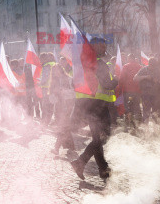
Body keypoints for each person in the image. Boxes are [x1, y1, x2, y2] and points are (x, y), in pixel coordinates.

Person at [71, 38, 118, 180]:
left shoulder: (84, 62)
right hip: (98, 106)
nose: (105, 49)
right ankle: (81, 162)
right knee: (102, 137)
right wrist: (116, 79)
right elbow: (108, 84)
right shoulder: (99, 64)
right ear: (95, 47)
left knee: (97, 138)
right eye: (102, 46)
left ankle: (103, 169)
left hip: (87, 105)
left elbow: (72, 83)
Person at [51, 57, 75, 155]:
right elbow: (52, 95)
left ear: (61, 70)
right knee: (64, 127)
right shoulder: (54, 81)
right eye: (54, 71)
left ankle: (56, 148)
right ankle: (71, 146)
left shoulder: (68, 78)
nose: (56, 72)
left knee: (62, 126)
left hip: (67, 106)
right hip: (58, 106)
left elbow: (73, 92)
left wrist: (62, 91)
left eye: (57, 70)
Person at [118, 53, 142, 129]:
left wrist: (120, 88)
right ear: (134, 59)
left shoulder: (125, 66)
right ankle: (138, 124)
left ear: (129, 59)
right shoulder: (140, 67)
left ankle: (129, 124)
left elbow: (121, 79)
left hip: (127, 91)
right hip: (137, 91)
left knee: (128, 107)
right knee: (136, 106)